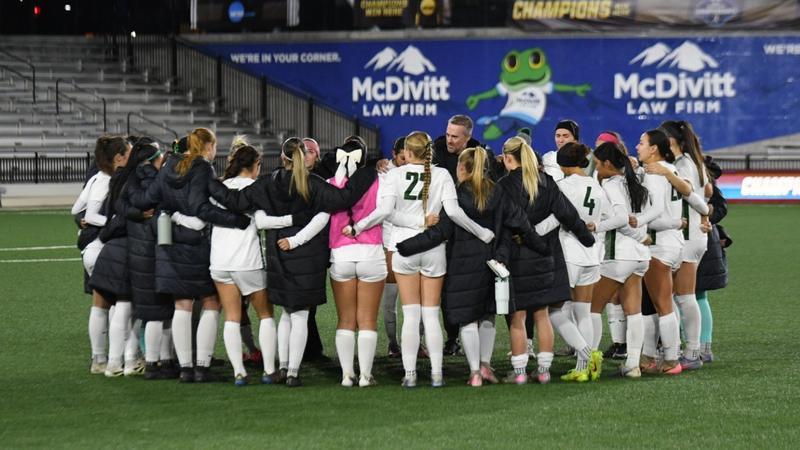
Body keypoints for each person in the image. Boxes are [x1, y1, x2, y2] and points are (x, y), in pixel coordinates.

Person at [209, 137, 378, 387]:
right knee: (299, 315)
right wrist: (368, 171)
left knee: (287, 313)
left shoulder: (267, 183)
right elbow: (343, 199)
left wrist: (206, 180)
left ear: (282, 157)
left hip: (278, 253)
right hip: (308, 257)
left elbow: (235, 201)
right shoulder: (313, 183)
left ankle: (284, 366)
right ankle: (293, 373)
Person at [348, 131, 495, 388]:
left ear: (406, 152)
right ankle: (437, 374)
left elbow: (385, 212)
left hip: (404, 248)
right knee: (431, 315)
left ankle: (411, 375)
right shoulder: (442, 174)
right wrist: (482, 232)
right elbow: (454, 213)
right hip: (434, 249)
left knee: (411, 315)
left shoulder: (393, 175)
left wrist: (357, 227)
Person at [396, 146, 547, 386]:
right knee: (488, 315)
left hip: (463, 265)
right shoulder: (498, 191)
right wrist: (542, 248)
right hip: (494, 263)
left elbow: (441, 230)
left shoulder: (456, 195)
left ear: (462, 168)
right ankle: (485, 366)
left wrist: (406, 246)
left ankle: (475, 372)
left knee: (468, 318)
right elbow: (520, 223)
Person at [130, 127, 251, 383]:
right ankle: (201, 367)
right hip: (196, 246)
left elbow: (146, 199)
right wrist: (236, 220)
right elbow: (201, 208)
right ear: (208, 146)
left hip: (170, 245)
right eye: (214, 146)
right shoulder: (202, 168)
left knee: (182, 305)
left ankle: (185, 368)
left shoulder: (167, 167)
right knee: (211, 302)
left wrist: (168, 212)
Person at [496, 136, 595, 384]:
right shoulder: (546, 181)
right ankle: (544, 371)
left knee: (518, 316)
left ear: (507, 158)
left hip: (518, 257)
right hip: (546, 257)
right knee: (542, 313)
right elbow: (567, 213)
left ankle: (519, 373)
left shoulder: (504, 185)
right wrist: (587, 239)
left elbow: (504, 222)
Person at [199, 139, 276, 386]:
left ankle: (239, 372)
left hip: (220, 262)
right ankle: (269, 370)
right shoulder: (256, 188)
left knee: (232, 317)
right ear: (256, 164)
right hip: (247, 261)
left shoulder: (219, 188)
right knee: (265, 314)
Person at [646, 120, 711, 371]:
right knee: (679, 296)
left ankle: (691, 351)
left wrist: (667, 174)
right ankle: (686, 349)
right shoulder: (692, 162)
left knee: (683, 297)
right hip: (691, 234)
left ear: (670, 140)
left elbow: (689, 192)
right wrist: (705, 214)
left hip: (686, 235)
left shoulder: (681, 164)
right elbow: (707, 190)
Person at [544, 142, 610, 381]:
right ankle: (584, 368)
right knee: (583, 311)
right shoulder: (596, 185)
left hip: (569, 253)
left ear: (562, 163)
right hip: (591, 254)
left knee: (553, 310)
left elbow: (554, 219)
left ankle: (586, 354)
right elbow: (606, 216)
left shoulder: (563, 186)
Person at [588, 141, 651, 378]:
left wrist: (596, 226)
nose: (596, 168)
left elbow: (622, 218)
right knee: (633, 311)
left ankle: (591, 363)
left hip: (619, 255)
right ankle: (632, 364)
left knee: (592, 308)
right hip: (640, 257)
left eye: (598, 164)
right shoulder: (633, 183)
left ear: (607, 164)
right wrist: (642, 237)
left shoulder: (612, 184)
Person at [71, 135, 131, 375]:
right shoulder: (106, 181)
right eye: (127, 154)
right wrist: (113, 222)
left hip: (90, 251)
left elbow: (76, 209)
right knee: (120, 304)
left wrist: (84, 220)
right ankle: (120, 360)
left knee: (100, 304)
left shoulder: (96, 177)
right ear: (118, 158)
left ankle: (99, 359)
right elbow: (90, 214)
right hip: (100, 249)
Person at [631, 129, 687, 375]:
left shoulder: (654, 174)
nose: (637, 146)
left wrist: (636, 221)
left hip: (660, 246)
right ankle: (649, 356)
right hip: (674, 244)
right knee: (653, 304)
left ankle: (672, 359)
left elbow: (657, 214)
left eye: (642, 143)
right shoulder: (669, 169)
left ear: (654, 148)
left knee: (663, 306)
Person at [123, 138, 178, 380]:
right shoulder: (159, 185)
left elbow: (121, 207)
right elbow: (162, 223)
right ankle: (156, 363)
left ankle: (160, 361)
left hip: (137, 254)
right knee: (160, 312)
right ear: (155, 161)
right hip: (156, 254)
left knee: (154, 312)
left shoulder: (130, 181)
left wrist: (136, 213)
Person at [694, 155, 730, 362]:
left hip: (699, 239)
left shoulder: (697, 170)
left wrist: (706, 220)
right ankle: (698, 346)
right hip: (694, 239)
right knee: (692, 296)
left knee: (694, 294)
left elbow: (720, 206)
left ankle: (699, 347)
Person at [379, 136, 407, 358]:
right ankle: (393, 343)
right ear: (393, 154)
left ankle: (418, 343)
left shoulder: (423, 172)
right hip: (389, 244)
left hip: (416, 243)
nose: (406, 161)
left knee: (417, 302)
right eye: (402, 158)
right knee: (391, 298)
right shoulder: (382, 176)